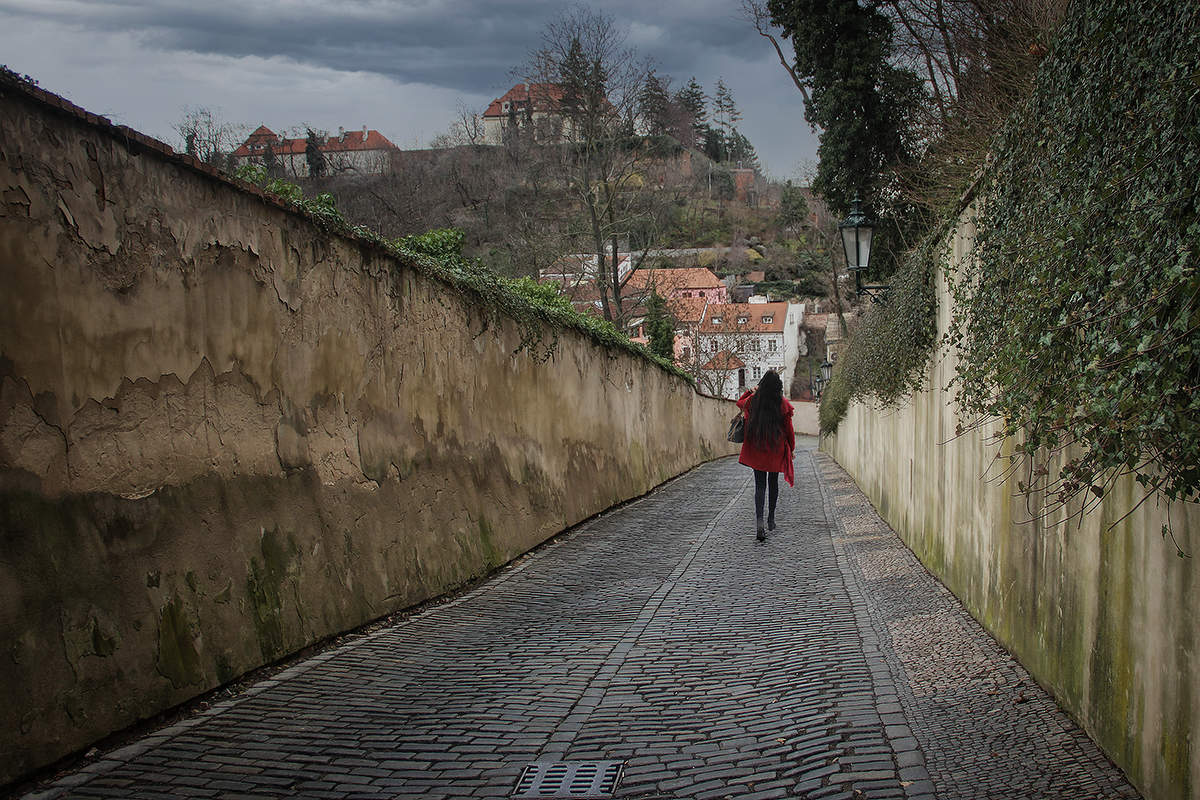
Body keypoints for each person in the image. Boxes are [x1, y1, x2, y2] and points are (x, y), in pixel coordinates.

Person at [736, 370, 795, 541]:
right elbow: (788, 429)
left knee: (759, 486)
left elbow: (740, 403)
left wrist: (751, 391)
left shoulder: (754, 400)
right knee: (773, 483)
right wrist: (791, 448)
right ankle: (771, 519)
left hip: (757, 445)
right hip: (775, 447)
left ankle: (759, 522)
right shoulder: (782, 403)